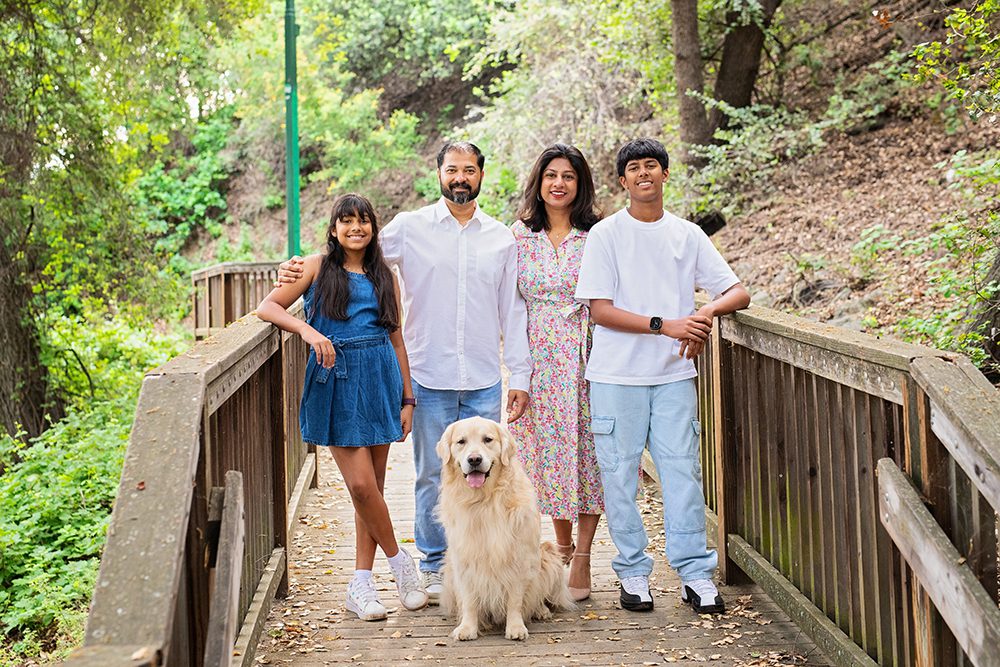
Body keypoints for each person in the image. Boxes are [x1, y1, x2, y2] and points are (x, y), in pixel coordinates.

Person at [276, 142, 532, 604]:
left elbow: (512, 311)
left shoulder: (501, 238)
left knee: (489, 477)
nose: (460, 177)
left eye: (469, 170)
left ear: (480, 175)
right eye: (452, 169)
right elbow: (353, 250)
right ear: (438, 174)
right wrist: (294, 265)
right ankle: (431, 565)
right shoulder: (410, 228)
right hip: (427, 370)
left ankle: (474, 564)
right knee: (432, 473)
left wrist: (521, 375)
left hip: (481, 374)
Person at [574, 138, 751, 614]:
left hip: (674, 376)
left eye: (651, 166)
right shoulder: (605, 235)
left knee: (683, 476)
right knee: (619, 478)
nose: (643, 174)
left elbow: (739, 291)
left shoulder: (688, 234)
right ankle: (634, 574)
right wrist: (665, 324)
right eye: (634, 168)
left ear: (665, 175)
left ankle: (696, 574)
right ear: (623, 180)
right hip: (615, 377)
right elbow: (599, 310)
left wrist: (705, 313)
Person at [257, 193, 428, 621]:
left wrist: (408, 398)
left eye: (364, 221)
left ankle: (362, 585)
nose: (356, 228)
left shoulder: (384, 275)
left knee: (374, 491)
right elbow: (267, 307)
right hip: (335, 379)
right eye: (346, 221)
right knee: (361, 488)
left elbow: (396, 339)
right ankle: (400, 563)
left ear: (374, 228)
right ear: (334, 229)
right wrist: (307, 331)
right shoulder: (316, 267)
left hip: (379, 378)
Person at [508, 144, 604, 602]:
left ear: (580, 184)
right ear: (539, 182)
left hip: (588, 355)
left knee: (587, 453)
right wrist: (516, 375)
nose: (559, 183)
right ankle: (560, 545)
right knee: (547, 456)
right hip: (538, 359)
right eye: (551, 175)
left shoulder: (597, 236)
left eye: (569, 176)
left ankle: (582, 555)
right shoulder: (519, 236)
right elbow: (509, 304)